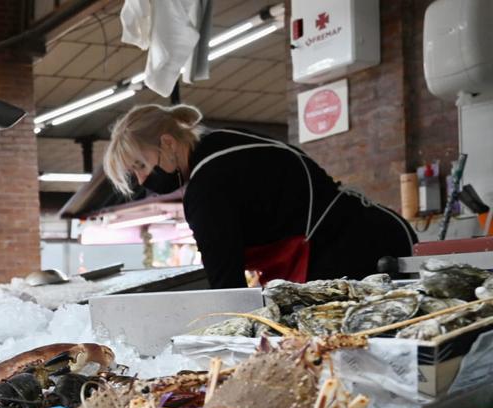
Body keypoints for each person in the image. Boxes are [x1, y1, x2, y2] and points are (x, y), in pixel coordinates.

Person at [103, 104, 417, 288]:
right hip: (378, 234)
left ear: (168, 143)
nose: (143, 179)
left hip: (361, 255)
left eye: (142, 165)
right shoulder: (221, 142)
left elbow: (226, 286)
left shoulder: (207, 187)